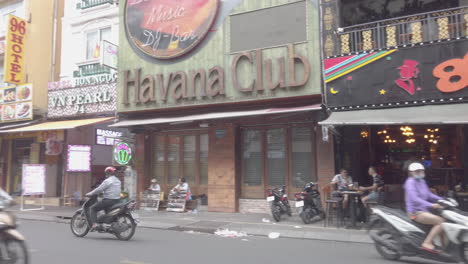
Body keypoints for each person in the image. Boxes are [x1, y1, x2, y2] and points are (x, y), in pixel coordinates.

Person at [404, 162, 444, 253]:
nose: (420, 173)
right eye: (417, 171)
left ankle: (445, 247)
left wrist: (442, 199)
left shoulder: (422, 181)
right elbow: (415, 199)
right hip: (416, 212)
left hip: (425, 210)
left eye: (421, 171)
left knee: (446, 220)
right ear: (411, 172)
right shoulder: (410, 182)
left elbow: (429, 194)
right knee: (441, 221)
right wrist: (431, 205)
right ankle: (427, 242)